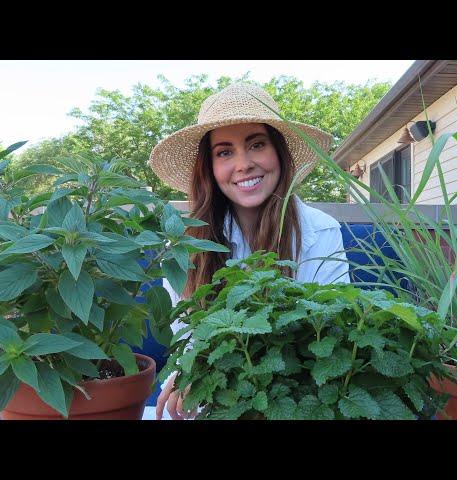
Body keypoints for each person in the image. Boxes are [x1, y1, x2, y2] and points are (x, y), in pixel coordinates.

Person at [147, 83, 350, 420]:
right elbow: (188, 343)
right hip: (216, 398)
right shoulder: (185, 243)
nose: (243, 164)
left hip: (298, 396)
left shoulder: (320, 232)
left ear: (279, 153)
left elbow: (331, 333)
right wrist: (186, 377)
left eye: (256, 144)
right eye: (224, 152)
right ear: (209, 167)